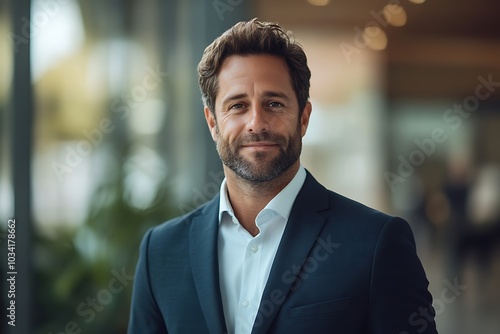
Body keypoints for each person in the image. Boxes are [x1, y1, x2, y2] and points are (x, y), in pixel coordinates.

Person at [128, 18, 437, 334]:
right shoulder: (161, 251)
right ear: (212, 122)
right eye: (237, 105)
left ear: (303, 118)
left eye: (274, 103)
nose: (256, 123)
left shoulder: (375, 243)